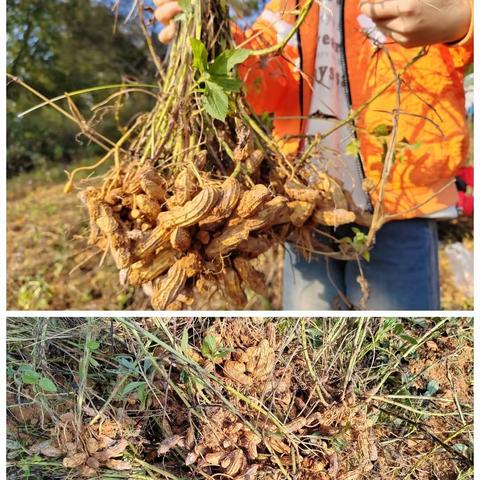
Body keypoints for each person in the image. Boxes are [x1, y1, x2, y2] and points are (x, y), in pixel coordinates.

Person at [153, 0, 473, 310]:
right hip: (302, 204)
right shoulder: (287, 5)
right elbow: (266, 86)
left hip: (400, 202)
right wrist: (220, 43)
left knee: (396, 322)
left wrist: (465, 19)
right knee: (309, 315)